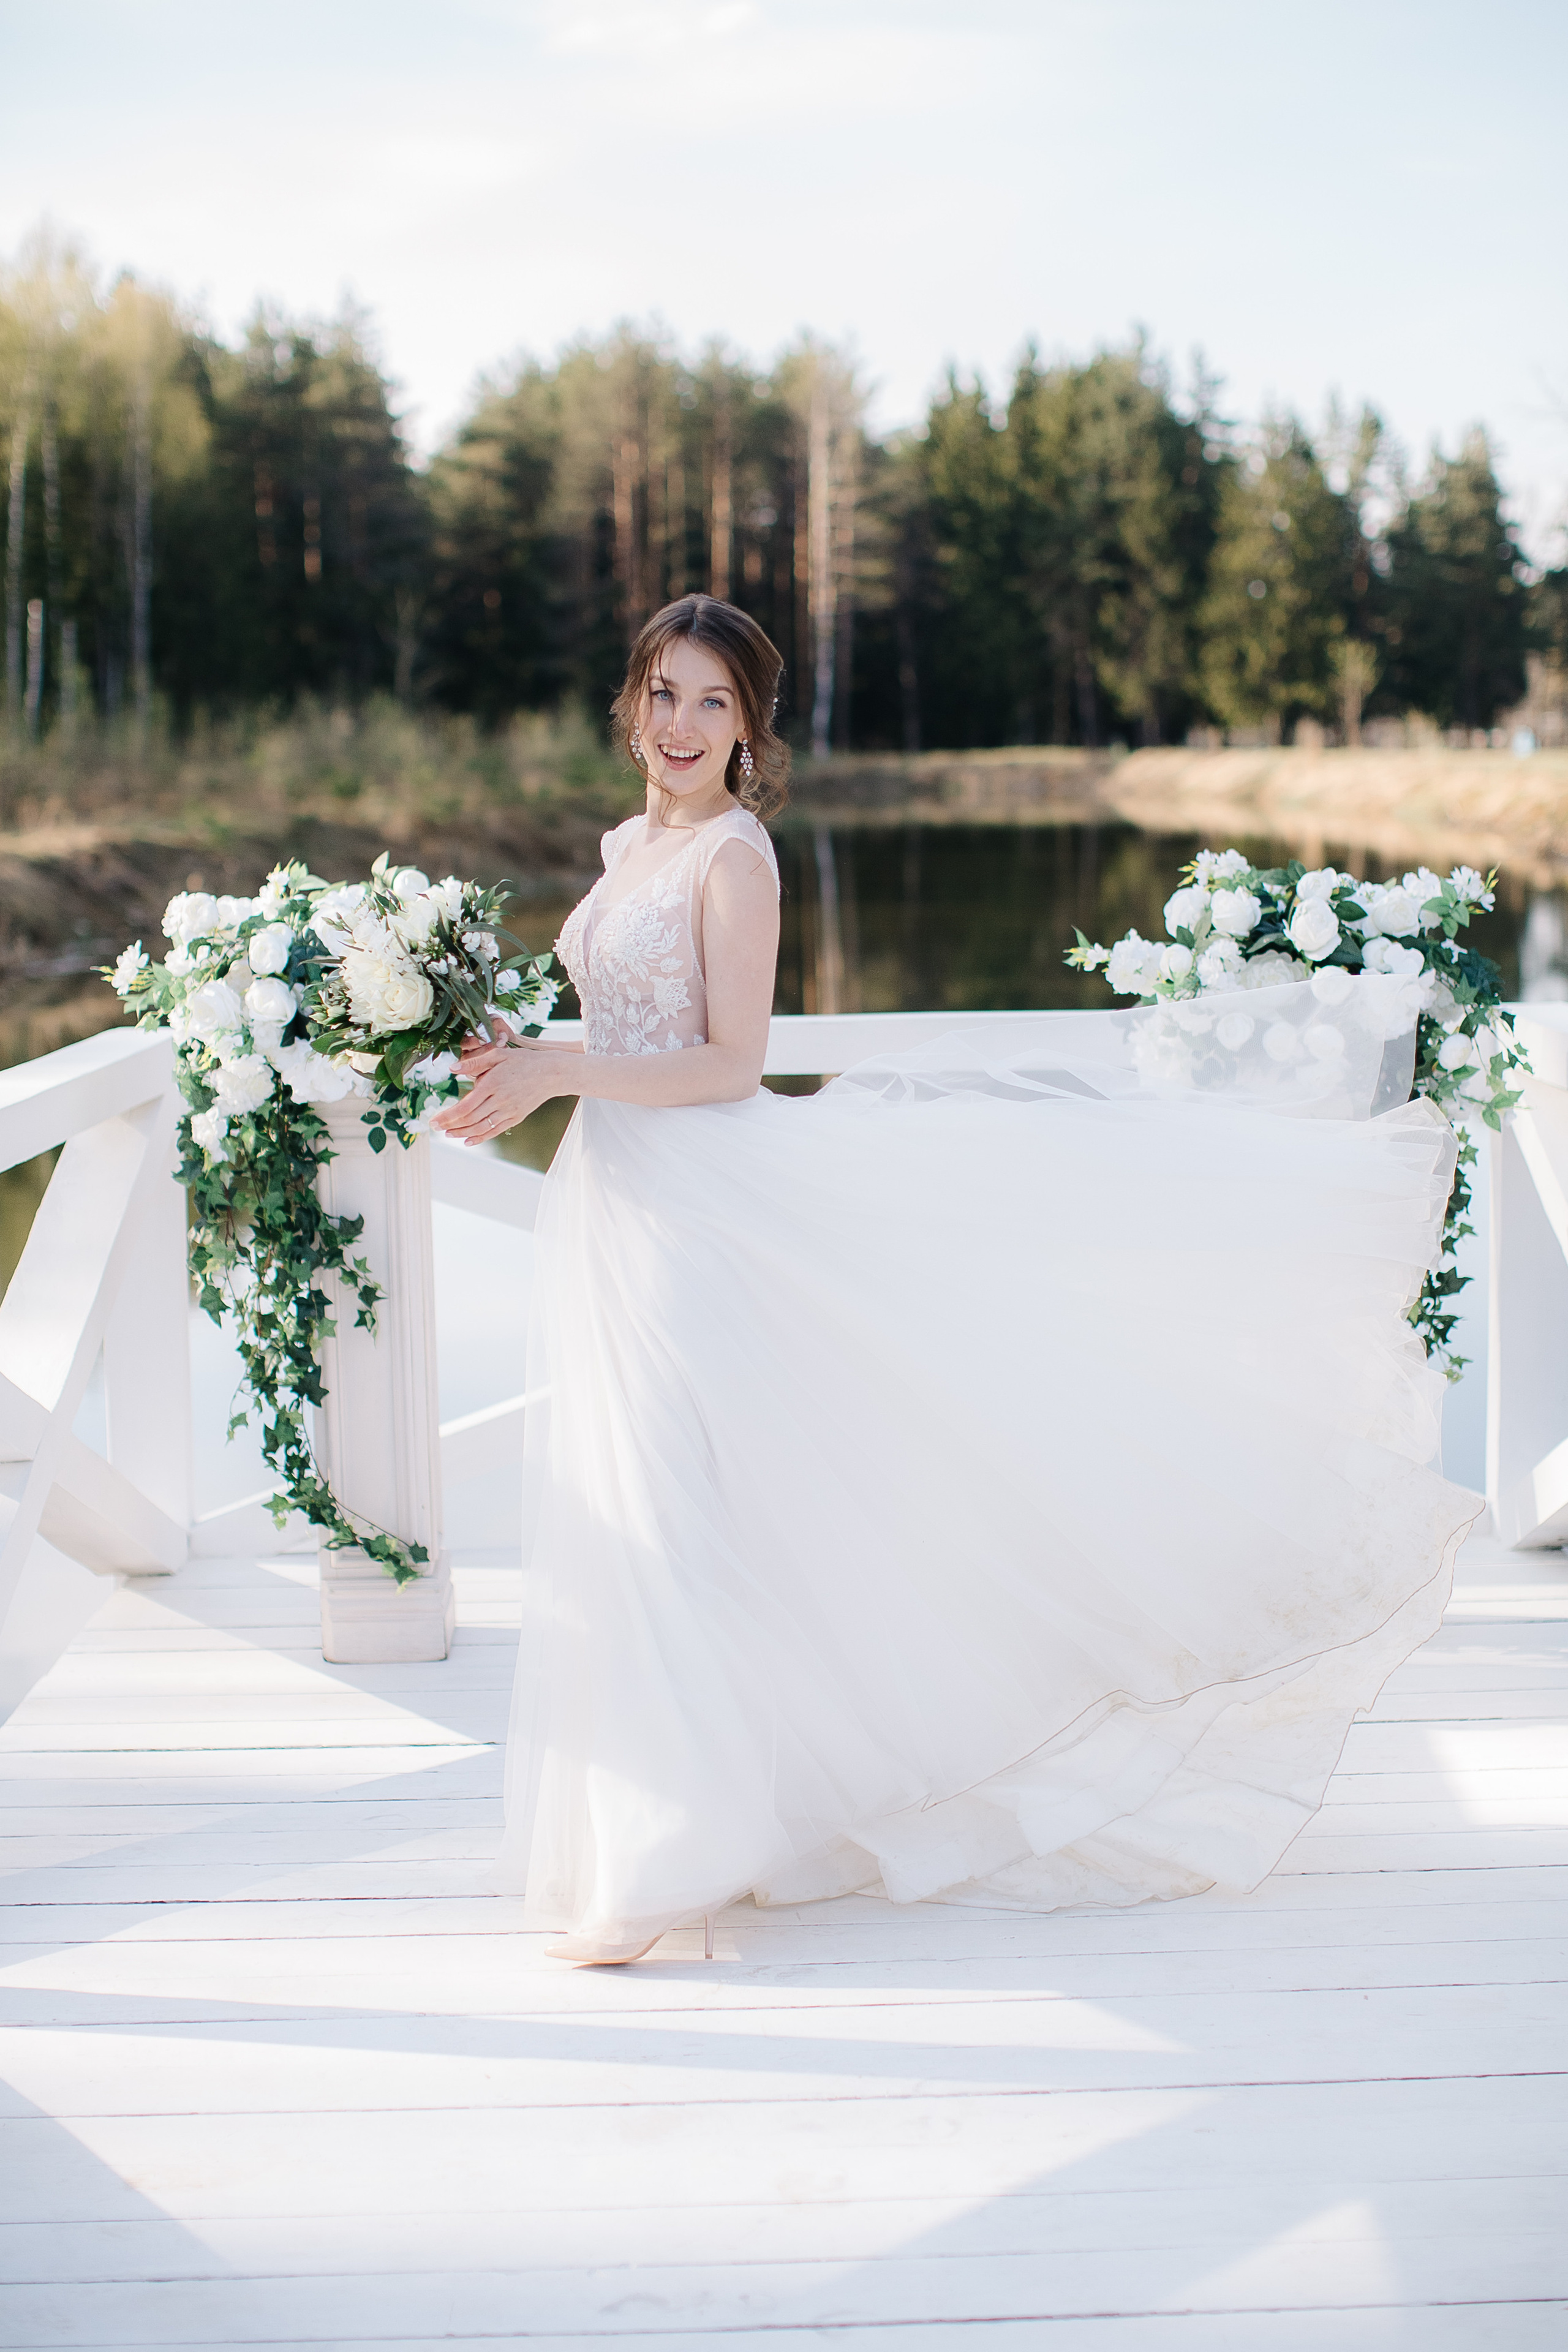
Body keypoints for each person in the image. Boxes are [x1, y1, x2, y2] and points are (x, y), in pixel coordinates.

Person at [434, 594, 1476, 1966]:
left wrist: (565, 1071)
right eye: (663, 694)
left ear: (747, 733)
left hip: (701, 1213)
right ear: (630, 704)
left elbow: (727, 1064)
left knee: (679, 1511)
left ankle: (659, 1863)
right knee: (645, 1506)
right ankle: (688, 1822)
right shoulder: (632, 845)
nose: (681, 726)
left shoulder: (734, 861)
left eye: (712, 704)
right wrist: (528, 1045)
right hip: (613, 1202)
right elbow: (630, 1023)